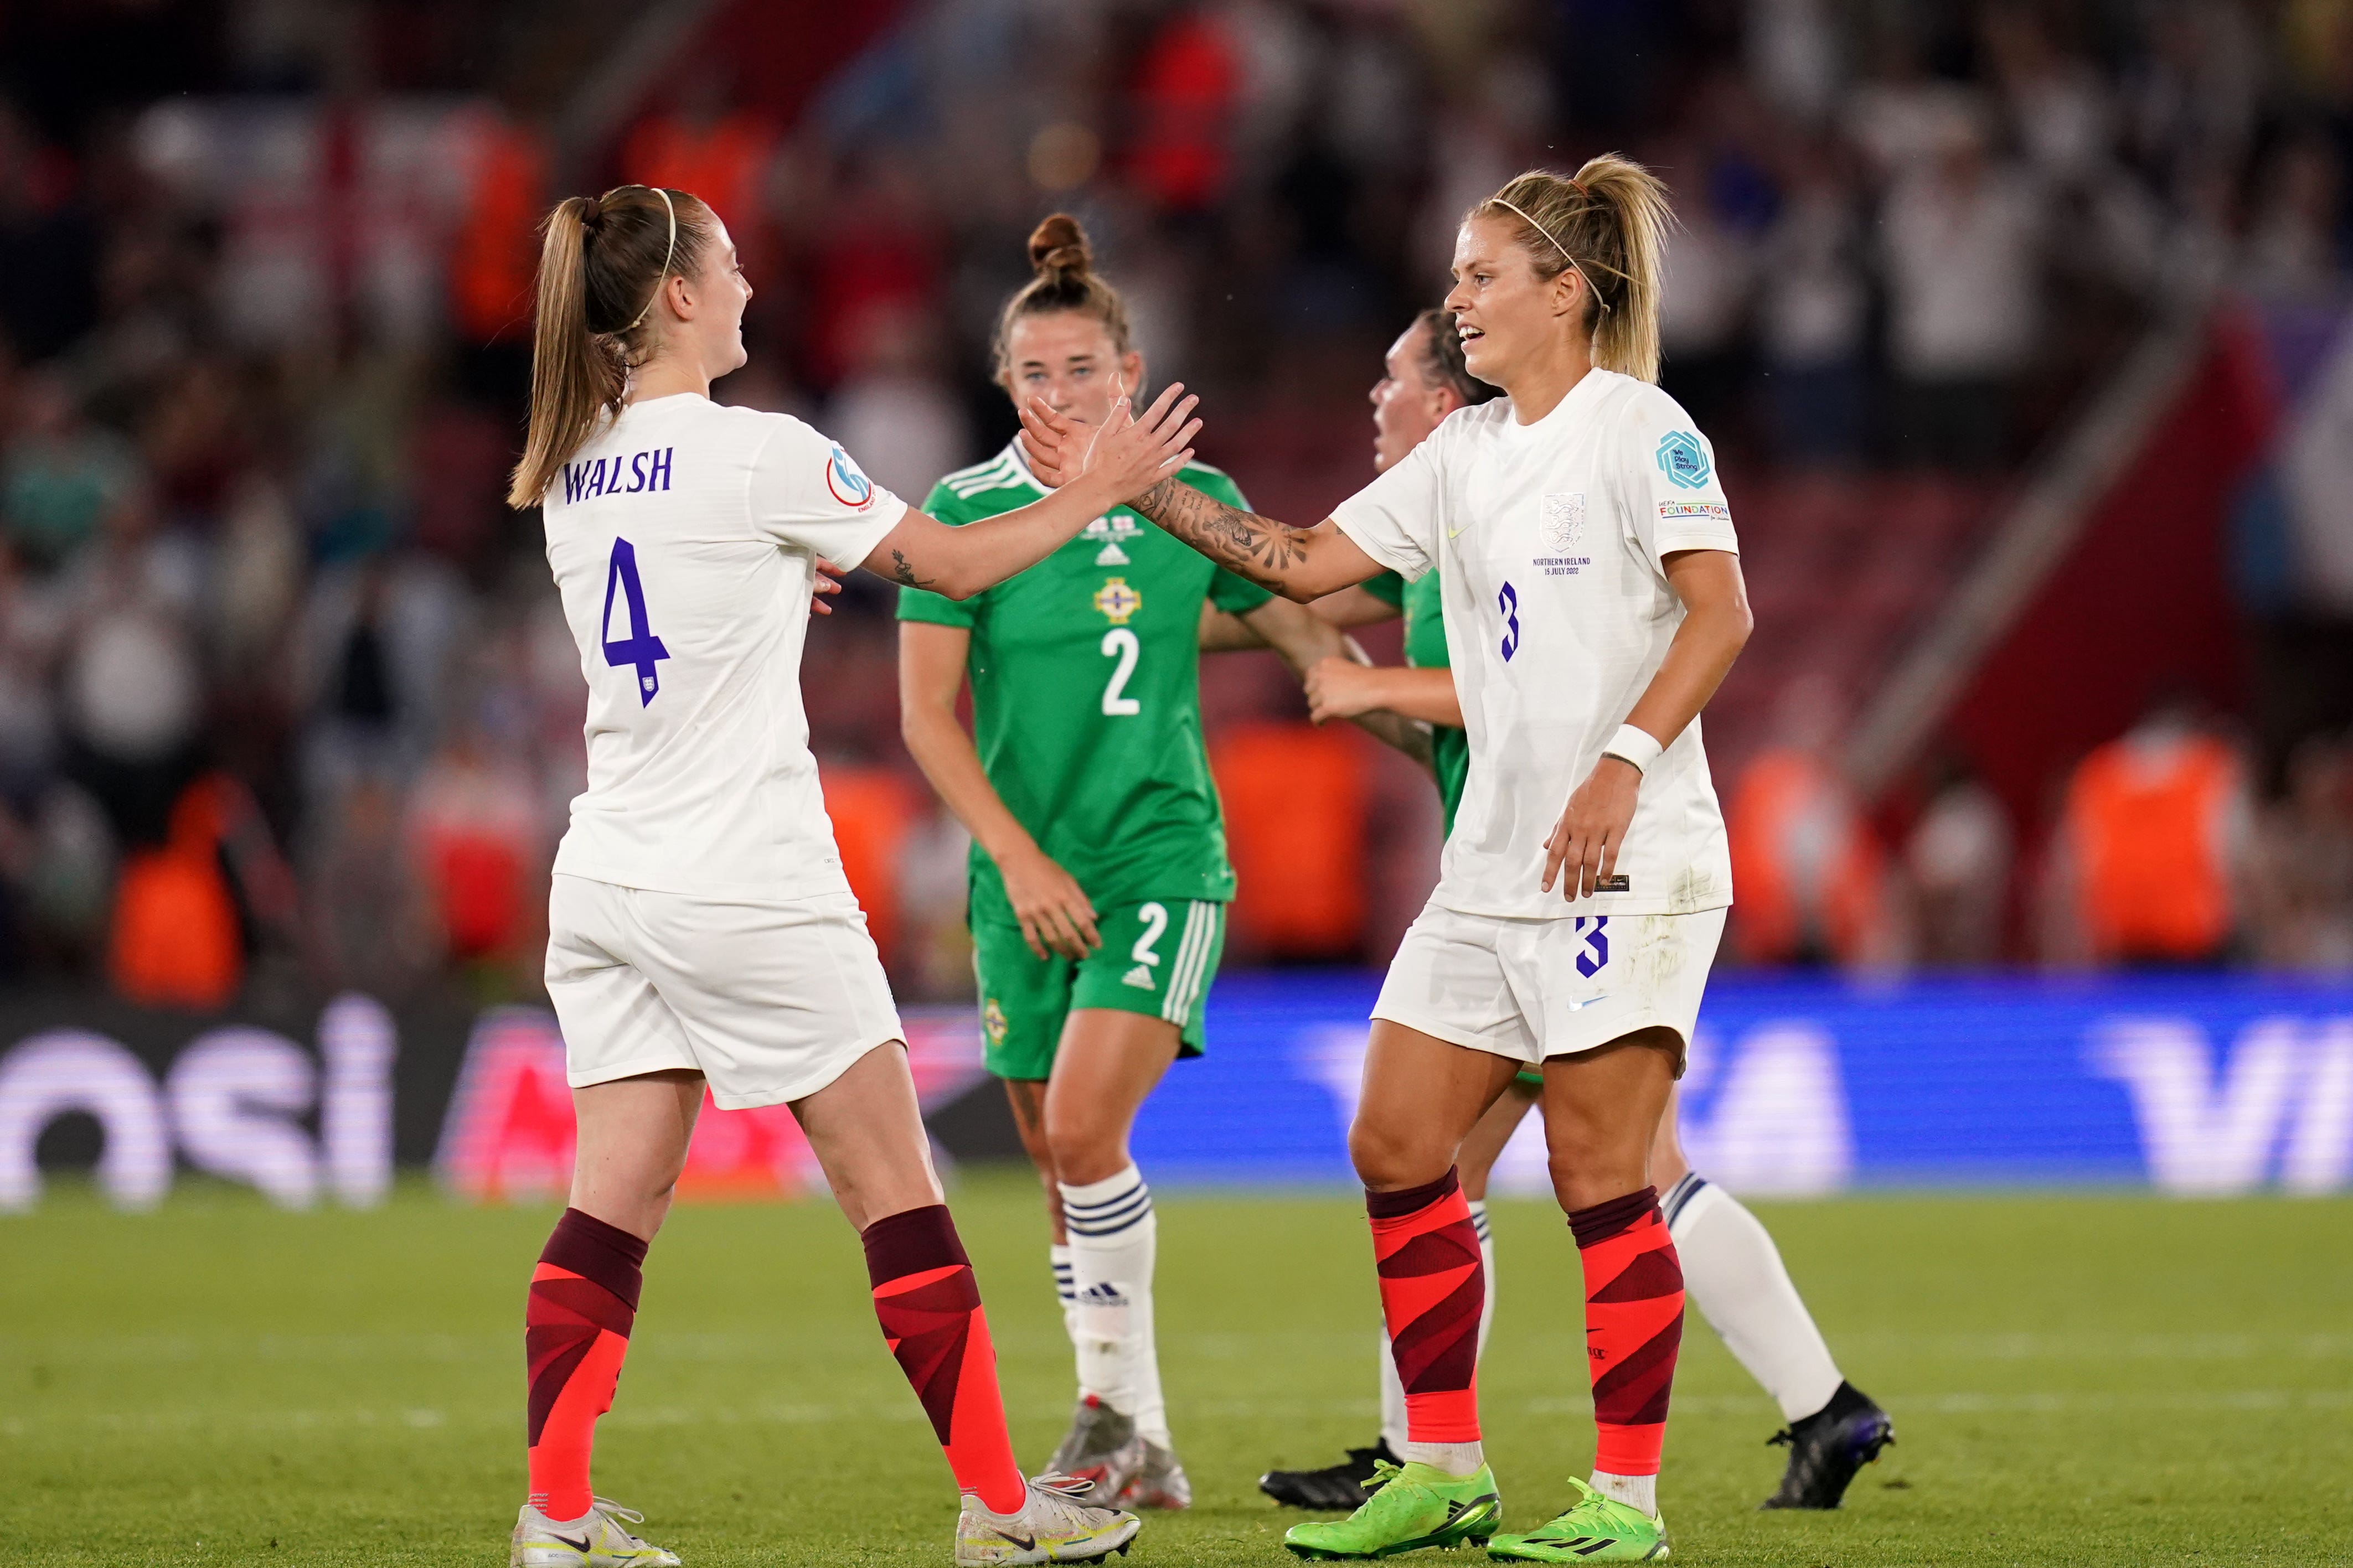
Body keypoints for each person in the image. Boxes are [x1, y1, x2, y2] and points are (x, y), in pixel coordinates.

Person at [1024, 158, 1747, 1562]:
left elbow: (1720, 617)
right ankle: (1444, 1465)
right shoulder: (1463, 454)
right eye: (1456, 277)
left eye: (1482, 277)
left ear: (1566, 292)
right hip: (1491, 868)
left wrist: (1622, 763)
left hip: (1627, 858)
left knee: (1604, 1176)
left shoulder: (1640, 429)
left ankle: (1626, 1504)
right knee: (1395, 1139)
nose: (1458, 300)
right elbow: (1295, 561)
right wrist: (1141, 486)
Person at [504, 183, 1199, 1568]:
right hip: (746, 875)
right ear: (682, 297)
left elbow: (688, 601)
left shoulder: (571, 466)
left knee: (613, 1201)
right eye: (735, 264)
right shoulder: (760, 450)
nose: (755, 284)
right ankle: (1004, 1510)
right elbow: (949, 560)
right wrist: (1102, 487)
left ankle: (558, 1513)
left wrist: (778, 582)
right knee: (896, 1189)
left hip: (609, 878)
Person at [1247, 309, 1892, 1516]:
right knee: (1602, 1172)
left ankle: (1430, 1456)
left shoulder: (1497, 520)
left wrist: (1373, 679)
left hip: (1580, 878)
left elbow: (1511, 689)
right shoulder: (1453, 509)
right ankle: (1819, 1403)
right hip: (1506, 878)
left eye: (1389, 380)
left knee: (1495, 1169)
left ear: (1443, 402)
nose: (1371, 403)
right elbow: (1286, 596)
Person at [898, 214, 1361, 1512]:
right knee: (1057, 1160)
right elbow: (924, 715)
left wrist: (1431, 706)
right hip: (1019, 883)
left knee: (1090, 1129)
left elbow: (1304, 624)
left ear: (1133, 370)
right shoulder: (964, 515)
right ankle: (1139, 1437)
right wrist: (1012, 859)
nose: (1062, 396)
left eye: (1086, 372)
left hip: (1158, 861)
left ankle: (1103, 1422)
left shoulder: (1191, 506)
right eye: (1037, 376)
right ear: (1005, 385)